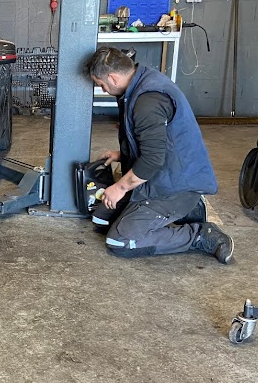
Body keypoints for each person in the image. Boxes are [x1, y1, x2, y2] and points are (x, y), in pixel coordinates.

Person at [85, 47, 234, 263]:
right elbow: (155, 142)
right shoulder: (139, 84)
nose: (104, 90)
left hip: (174, 185)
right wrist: (122, 153)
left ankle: (200, 234)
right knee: (101, 220)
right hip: (158, 178)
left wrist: (120, 187)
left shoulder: (148, 100)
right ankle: (186, 211)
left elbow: (153, 159)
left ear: (113, 77)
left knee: (120, 241)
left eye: (101, 85)